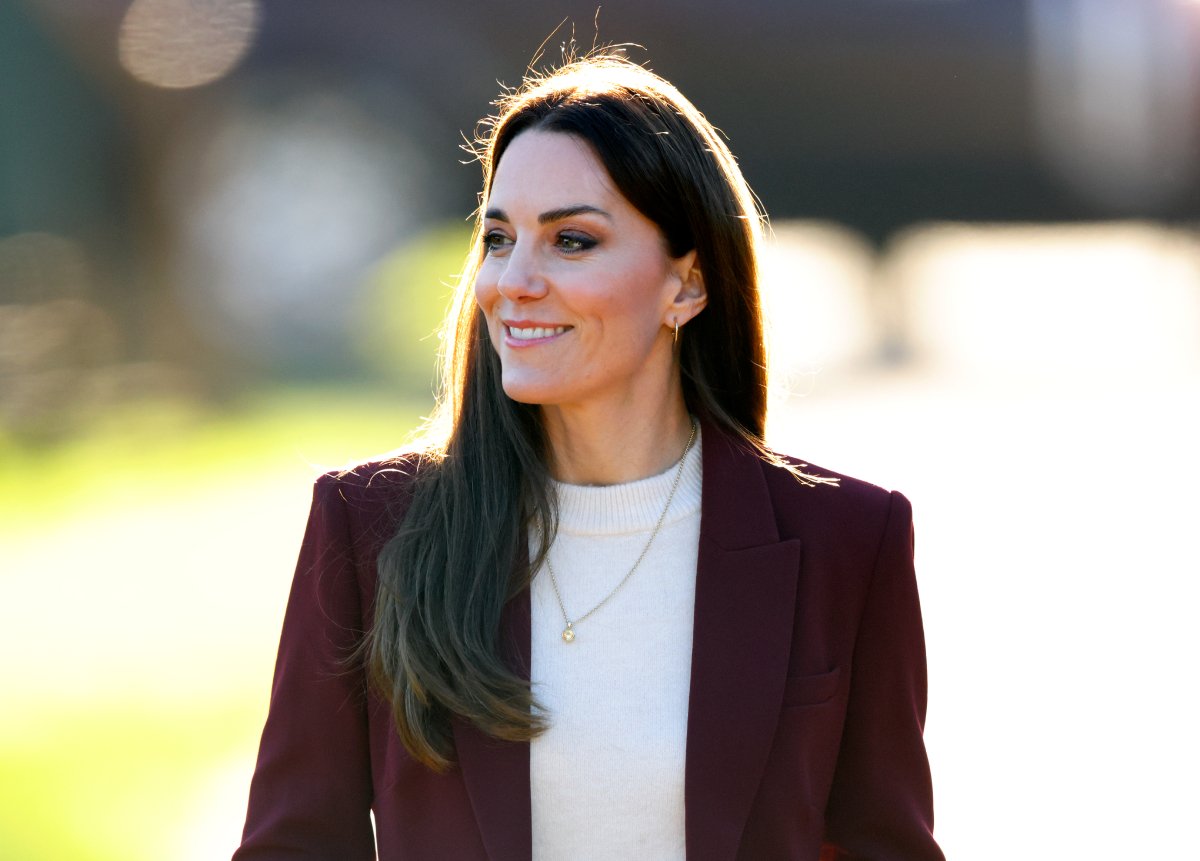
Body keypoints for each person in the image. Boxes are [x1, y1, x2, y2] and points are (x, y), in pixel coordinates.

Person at [234, 50, 944, 861]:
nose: (514, 280)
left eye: (571, 240)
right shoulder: (371, 530)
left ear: (687, 284)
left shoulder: (847, 541)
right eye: (499, 238)